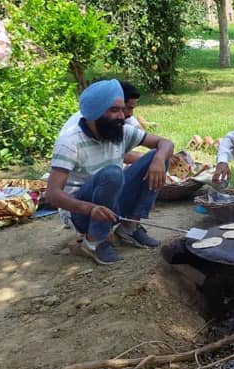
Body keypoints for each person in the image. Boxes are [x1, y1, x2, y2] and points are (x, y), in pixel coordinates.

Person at [46, 79, 175, 266]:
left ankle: (129, 228)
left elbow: (166, 143)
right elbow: (52, 194)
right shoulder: (70, 142)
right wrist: (90, 209)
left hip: (111, 203)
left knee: (160, 156)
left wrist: (158, 159)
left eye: (122, 110)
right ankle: (94, 241)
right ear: (94, 113)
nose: (122, 116)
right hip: (82, 212)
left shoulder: (120, 131)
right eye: (114, 110)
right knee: (113, 174)